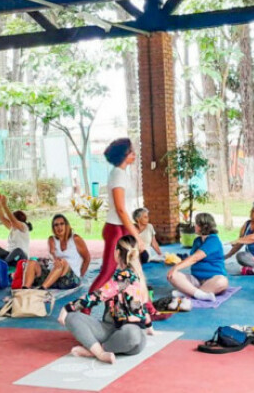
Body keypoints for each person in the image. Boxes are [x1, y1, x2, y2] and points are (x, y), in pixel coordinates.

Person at [58, 234, 154, 364]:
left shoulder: (125, 277)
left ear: (118, 252)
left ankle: (98, 351)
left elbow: (98, 296)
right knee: (72, 317)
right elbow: (142, 307)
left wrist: (67, 307)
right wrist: (149, 327)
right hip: (109, 329)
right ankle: (101, 351)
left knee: (132, 335)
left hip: (130, 333)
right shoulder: (131, 275)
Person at [91, 138, 140, 292]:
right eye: (131, 151)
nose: (134, 154)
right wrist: (137, 236)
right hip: (115, 229)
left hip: (122, 228)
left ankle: (146, 308)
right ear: (124, 155)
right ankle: (83, 309)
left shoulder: (122, 174)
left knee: (133, 270)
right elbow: (120, 209)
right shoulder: (118, 175)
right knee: (108, 271)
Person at [167, 213, 229, 309]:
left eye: (196, 224)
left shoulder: (214, 240)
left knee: (222, 281)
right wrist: (175, 268)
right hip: (195, 279)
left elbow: (195, 258)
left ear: (203, 226)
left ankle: (188, 293)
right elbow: (191, 259)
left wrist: (176, 267)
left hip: (212, 280)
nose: (194, 226)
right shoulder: (197, 240)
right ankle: (200, 294)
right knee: (173, 275)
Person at [22, 214, 91, 289]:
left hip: (69, 278)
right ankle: (24, 289)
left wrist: (80, 275)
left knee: (62, 261)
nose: (59, 227)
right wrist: (55, 259)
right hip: (53, 276)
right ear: (53, 228)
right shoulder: (52, 239)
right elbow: (51, 253)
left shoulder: (75, 239)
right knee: (32, 261)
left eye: (62, 224)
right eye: (56, 225)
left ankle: (42, 289)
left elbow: (87, 258)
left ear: (66, 225)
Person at [0, 193, 31, 269]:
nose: (10, 221)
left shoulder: (24, 227)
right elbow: (2, 217)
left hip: (21, 258)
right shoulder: (12, 227)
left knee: (18, 250)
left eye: (13, 219)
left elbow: (12, 219)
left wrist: (4, 205)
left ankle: (1, 265)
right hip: (10, 257)